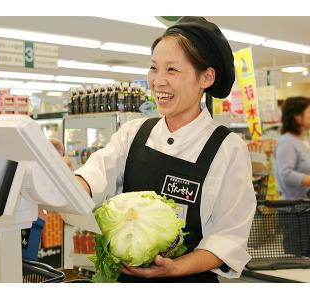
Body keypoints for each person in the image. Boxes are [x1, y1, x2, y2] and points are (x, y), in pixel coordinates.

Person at [53, 16, 256, 282]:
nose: (158, 81)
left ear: (206, 77)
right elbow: (95, 175)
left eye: (172, 70)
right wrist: (57, 174)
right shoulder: (134, 133)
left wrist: (176, 267)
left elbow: (229, 236)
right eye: (153, 68)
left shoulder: (228, 149)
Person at [274, 96, 310, 200]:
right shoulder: (286, 142)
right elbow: (286, 175)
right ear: (297, 117)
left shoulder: (303, 139)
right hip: (294, 210)